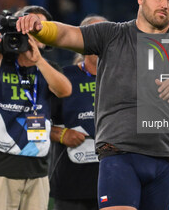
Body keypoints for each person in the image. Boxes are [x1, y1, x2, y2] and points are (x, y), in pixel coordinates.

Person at [16, 0, 169, 210]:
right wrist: (41, 28)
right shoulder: (111, 35)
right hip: (119, 155)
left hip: (165, 158)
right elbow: (66, 33)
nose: (165, 4)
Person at [0, 5, 72, 210]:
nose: (32, 33)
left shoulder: (49, 69)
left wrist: (39, 62)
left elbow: (65, 90)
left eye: (38, 29)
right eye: (27, 27)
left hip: (38, 172)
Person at [49, 15, 107, 210]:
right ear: (80, 42)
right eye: (94, 35)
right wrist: (62, 134)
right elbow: (33, 122)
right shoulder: (62, 78)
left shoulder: (125, 80)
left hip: (115, 185)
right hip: (70, 187)